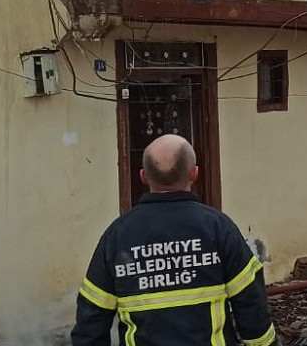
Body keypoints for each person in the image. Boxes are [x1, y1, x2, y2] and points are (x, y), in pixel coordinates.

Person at [71, 135, 277, 346]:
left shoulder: (116, 236)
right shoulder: (219, 228)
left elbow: (91, 323)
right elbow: (251, 307)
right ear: (194, 173)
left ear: (143, 176)